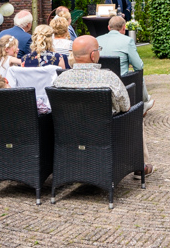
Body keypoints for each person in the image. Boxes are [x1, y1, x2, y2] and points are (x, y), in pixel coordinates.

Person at [54, 35, 152, 177]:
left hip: (72, 133)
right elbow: (125, 106)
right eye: (98, 49)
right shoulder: (108, 78)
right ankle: (140, 166)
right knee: (136, 117)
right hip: (105, 131)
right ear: (93, 55)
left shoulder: (60, 79)